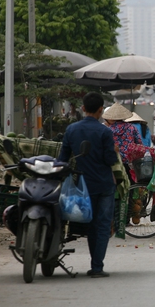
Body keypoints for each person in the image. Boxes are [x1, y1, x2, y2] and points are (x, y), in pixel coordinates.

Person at [58, 92, 118, 278]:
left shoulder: (71, 130)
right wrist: (114, 151)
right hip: (104, 184)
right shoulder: (105, 132)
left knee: (92, 225)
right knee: (102, 225)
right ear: (101, 110)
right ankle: (97, 267)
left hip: (82, 185)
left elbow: (63, 159)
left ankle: (96, 265)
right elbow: (110, 160)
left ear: (83, 108)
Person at [102, 103, 143, 169]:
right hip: (130, 161)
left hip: (115, 162)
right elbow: (139, 143)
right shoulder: (132, 128)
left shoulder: (108, 130)